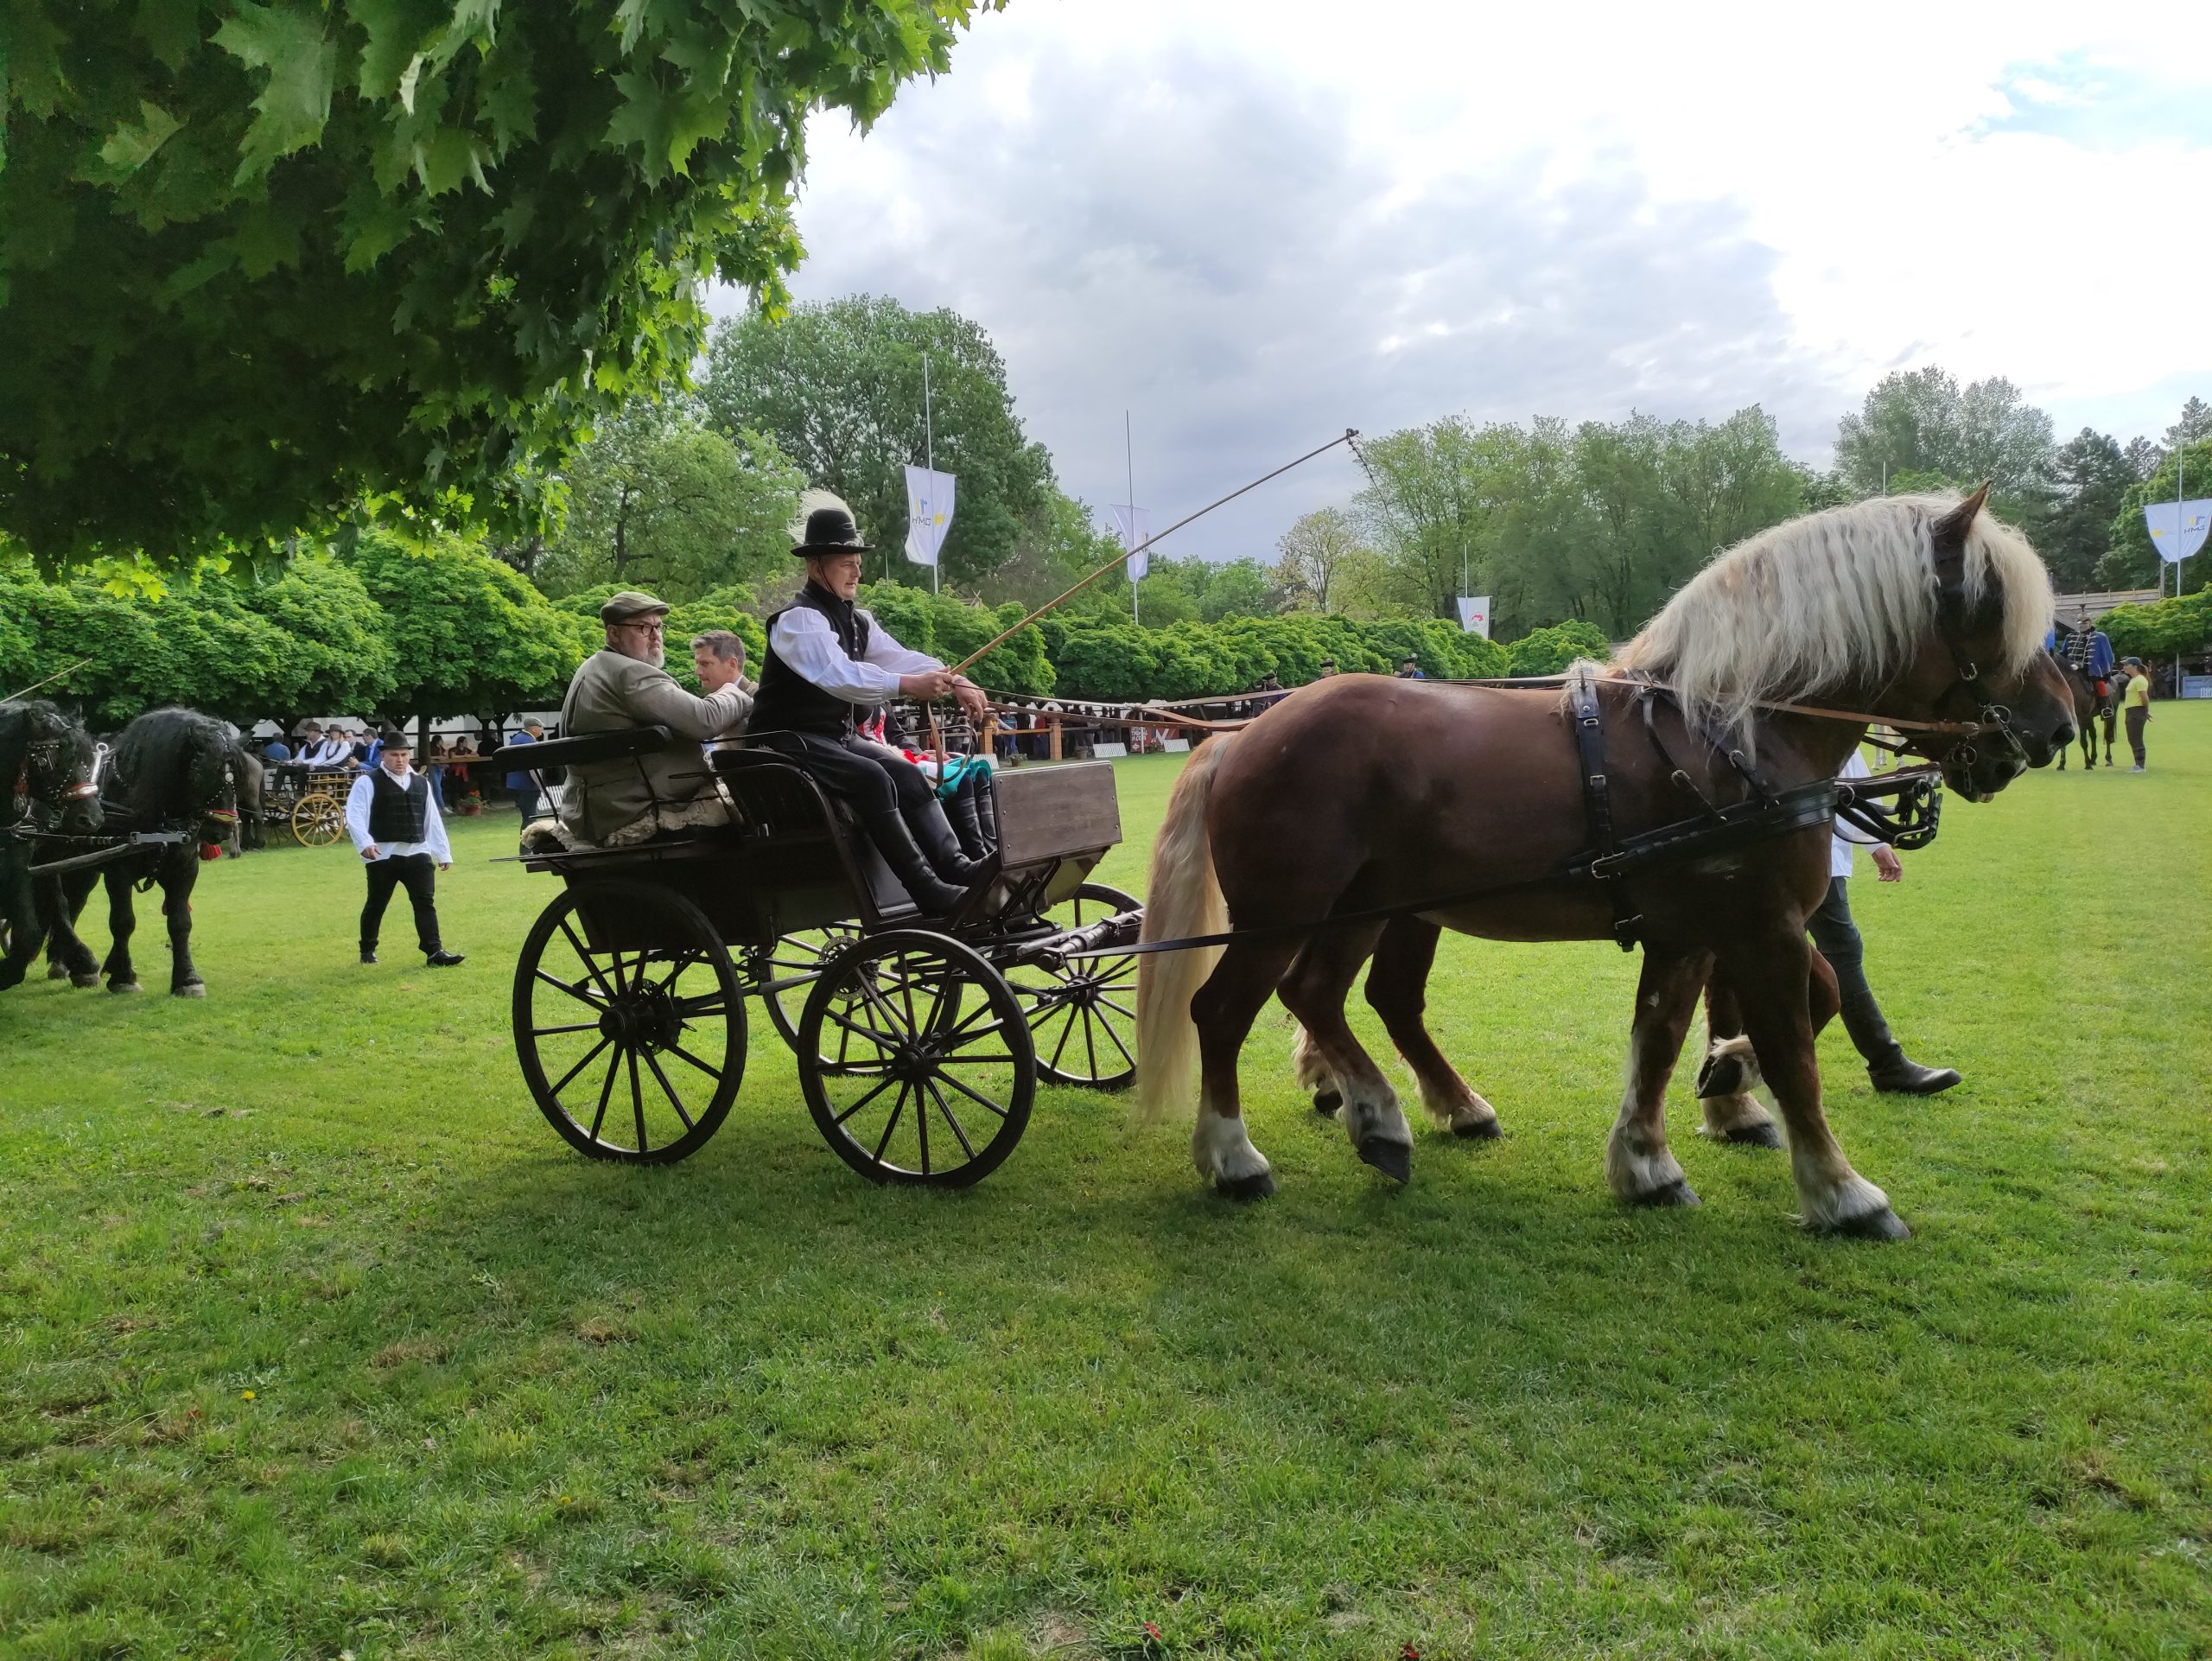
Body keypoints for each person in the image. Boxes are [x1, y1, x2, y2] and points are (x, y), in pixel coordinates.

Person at [747, 492, 993, 915]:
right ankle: (927, 890)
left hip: (833, 739)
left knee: (911, 777)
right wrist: (909, 686)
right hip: (785, 741)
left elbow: (901, 658)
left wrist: (957, 681)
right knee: (873, 778)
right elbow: (839, 676)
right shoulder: (797, 620)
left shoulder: (858, 621)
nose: (857, 570)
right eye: (846, 561)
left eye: (857, 561)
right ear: (815, 565)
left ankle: (958, 867)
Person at [558, 590, 753, 844]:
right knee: (757, 813)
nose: (656, 636)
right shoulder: (629, 674)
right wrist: (737, 690)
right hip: (634, 809)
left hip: (599, 808)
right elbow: (705, 720)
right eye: (644, 628)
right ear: (613, 633)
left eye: (658, 627)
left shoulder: (592, 667)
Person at [1816, 747, 1957, 1094]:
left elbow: (1852, 779)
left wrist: (1875, 842)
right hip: (1808, 854)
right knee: (1841, 951)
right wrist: (1875, 843)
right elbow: (1850, 781)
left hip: (1817, 852)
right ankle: (1887, 1064)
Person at [344, 732, 463, 968]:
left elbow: (431, 819)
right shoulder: (367, 782)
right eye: (394, 755)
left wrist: (443, 852)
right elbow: (354, 815)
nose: (400, 760)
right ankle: (368, 949)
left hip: (417, 852)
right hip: (383, 855)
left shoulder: (421, 783)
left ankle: (434, 951)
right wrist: (365, 843)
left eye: (404, 755)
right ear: (383, 755)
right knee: (377, 903)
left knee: (425, 903)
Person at [505, 718, 548, 822]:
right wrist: (542, 787)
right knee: (531, 817)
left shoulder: (517, 738)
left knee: (527, 816)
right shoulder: (530, 742)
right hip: (527, 785)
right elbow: (533, 769)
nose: (542, 729)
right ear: (532, 728)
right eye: (540, 727)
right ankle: (528, 838)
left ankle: (524, 837)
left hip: (516, 784)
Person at [690, 630, 752, 697]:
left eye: (705, 663)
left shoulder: (758, 699)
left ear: (732, 664)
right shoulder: (715, 698)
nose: (697, 672)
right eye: (697, 663)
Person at [2120, 655, 2152, 771]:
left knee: (2136, 738)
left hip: (2136, 711)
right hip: (2131, 711)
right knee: (2132, 738)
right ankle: (2137, 764)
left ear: (2134, 666)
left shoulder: (2140, 680)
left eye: (2126, 665)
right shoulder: (2134, 680)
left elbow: (2144, 698)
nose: (2124, 667)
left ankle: (2140, 765)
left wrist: (2145, 711)